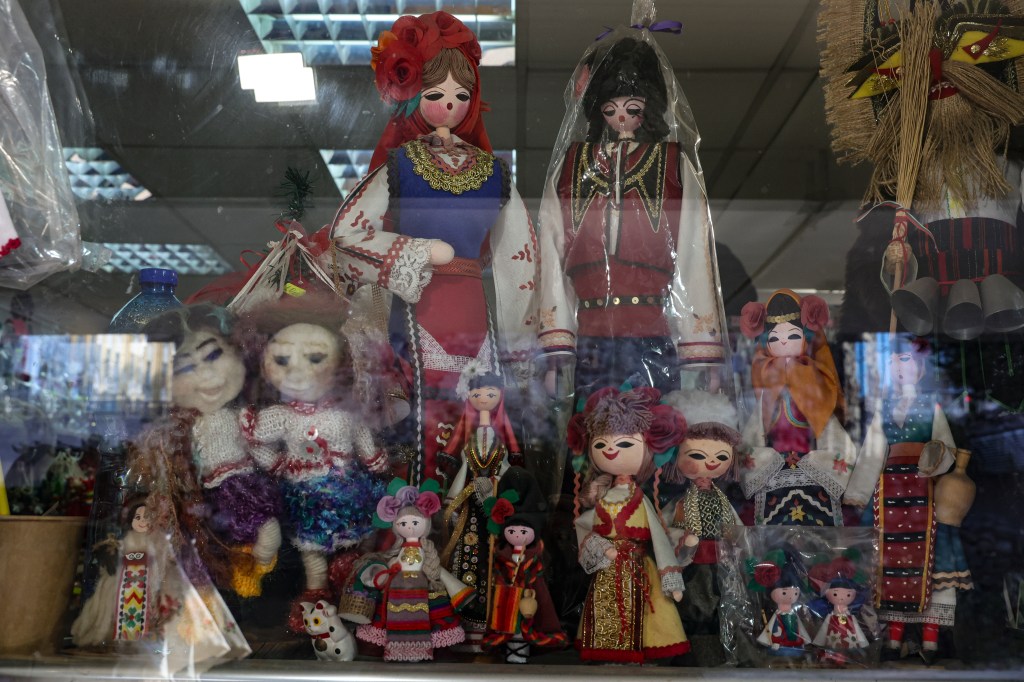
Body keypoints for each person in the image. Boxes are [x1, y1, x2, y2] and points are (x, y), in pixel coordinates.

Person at [328, 11, 537, 486]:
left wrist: (524, 344)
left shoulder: (494, 172)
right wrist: (417, 252)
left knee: (478, 409)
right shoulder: (401, 166)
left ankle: (473, 504)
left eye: (461, 96)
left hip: (474, 311)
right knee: (424, 407)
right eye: (436, 93)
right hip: (418, 305)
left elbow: (520, 258)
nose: (450, 104)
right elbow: (347, 235)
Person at [536, 33, 726, 401]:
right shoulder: (573, 164)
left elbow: (694, 252)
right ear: (598, 110)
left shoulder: (673, 165)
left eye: (632, 107)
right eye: (611, 109)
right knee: (595, 425)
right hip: (590, 331)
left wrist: (701, 345)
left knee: (651, 423)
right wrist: (556, 344)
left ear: (649, 108)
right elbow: (551, 250)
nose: (621, 116)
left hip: (652, 331)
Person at [570, 386, 689, 663]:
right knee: (604, 612)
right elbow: (583, 525)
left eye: (624, 444)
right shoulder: (602, 496)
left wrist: (671, 579)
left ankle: (637, 656)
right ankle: (610, 655)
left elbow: (659, 539)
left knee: (648, 615)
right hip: (608, 570)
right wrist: (599, 546)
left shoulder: (640, 499)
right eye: (601, 445)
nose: (611, 450)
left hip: (639, 568)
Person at [739, 290, 856, 526]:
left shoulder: (813, 380)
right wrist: (763, 458)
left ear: (807, 339)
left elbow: (827, 425)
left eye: (793, 336)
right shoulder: (766, 388)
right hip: (774, 472)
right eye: (774, 338)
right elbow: (754, 431)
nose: (783, 342)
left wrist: (819, 461)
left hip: (812, 469)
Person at [440, 366, 521, 639]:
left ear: (500, 396)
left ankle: (493, 614)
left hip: (494, 502)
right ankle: (469, 611)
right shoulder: (471, 440)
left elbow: (505, 467)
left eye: (490, 393)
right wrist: (454, 500)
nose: (483, 398)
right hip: (472, 505)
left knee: (493, 552)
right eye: (477, 394)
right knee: (469, 550)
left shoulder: (500, 441)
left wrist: (503, 490)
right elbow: (464, 467)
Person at [357, 481, 472, 661]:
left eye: (415, 522)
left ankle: (430, 648)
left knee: (432, 615)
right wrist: (390, 569)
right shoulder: (399, 550)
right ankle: (396, 648)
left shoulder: (427, 550)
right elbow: (394, 563)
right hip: (398, 589)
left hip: (422, 589)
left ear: (425, 524)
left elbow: (435, 569)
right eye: (403, 523)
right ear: (396, 525)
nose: (410, 527)